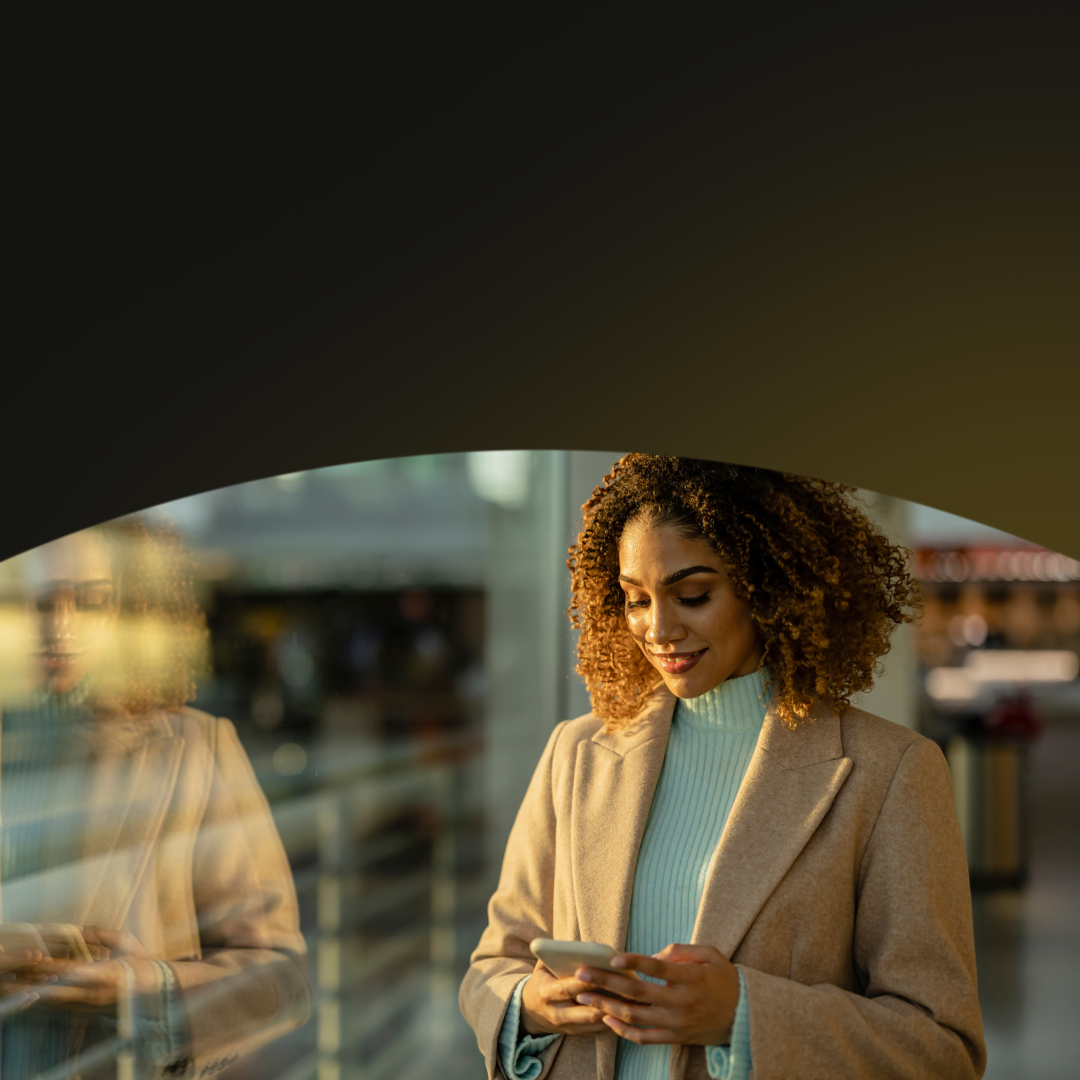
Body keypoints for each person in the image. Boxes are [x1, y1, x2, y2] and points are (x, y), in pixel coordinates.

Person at [459, 455, 986, 1080]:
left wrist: (742, 1015)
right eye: (634, 599)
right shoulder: (577, 754)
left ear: (767, 589)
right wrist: (531, 1006)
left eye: (692, 595)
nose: (658, 629)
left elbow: (941, 1046)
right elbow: (494, 965)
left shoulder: (890, 771)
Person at [0, 516, 311, 1079]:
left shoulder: (193, 749)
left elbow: (279, 981)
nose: (60, 628)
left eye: (90, 603)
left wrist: (147, 988)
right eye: (37, 603)